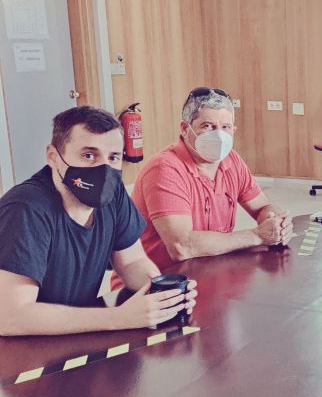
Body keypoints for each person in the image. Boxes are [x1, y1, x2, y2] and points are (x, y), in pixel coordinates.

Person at [0, 106, 197, 336]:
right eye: (89, 155)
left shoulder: (113, 194)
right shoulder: (25, 209)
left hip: (75, 334)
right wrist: (119, 317)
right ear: (53, 157)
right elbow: (11, 318)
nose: (103, 169)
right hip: (22, 346)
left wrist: (163, 293)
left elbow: (131, 262)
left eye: (113, 157)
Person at [121, 87, 291, 280]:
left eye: (225, 127)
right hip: (156, 285)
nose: (219, 136)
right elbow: (181, 247)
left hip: (208, 274)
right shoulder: (164, 169)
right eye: (208, 126)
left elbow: (262, 207)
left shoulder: (232, 160)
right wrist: (257, 235)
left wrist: (277, 222)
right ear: (185, 129)